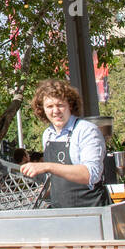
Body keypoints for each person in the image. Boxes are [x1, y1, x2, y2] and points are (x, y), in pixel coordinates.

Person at [19, 79, 110, 208]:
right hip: (62, 214)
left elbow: (91, 174)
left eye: (60, 105)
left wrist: (47, 166)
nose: (55, 111)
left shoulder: (86, 130)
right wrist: (38, 194)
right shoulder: (48, 135)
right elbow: (59, 182)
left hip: (92, 212)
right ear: (42, 109)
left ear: (70, 105)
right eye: (49, 106)